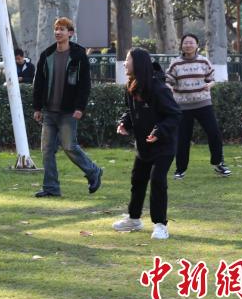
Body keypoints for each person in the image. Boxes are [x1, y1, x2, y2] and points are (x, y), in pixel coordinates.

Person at [115, 48, 181, 240]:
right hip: (143, 146)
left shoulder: (159, 88)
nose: (125, 63)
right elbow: (131, 111)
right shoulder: (131, 85)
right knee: (138, 179)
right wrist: (125, 123)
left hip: (164, 145)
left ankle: (160, 225)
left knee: (157, 180)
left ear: (138, 63)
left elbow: (174, 114)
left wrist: (159, 131)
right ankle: (134, 219)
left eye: (128, 59)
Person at [32, 17, 103, 197]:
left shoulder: (79, 55)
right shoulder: (46, 55)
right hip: (49, 111)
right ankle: (51, 188)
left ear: (70, 33)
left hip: (68, 111)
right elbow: (38, 83)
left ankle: (93, 171)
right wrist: (37, 107)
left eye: (62, 29)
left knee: (69, 146)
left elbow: (85, 84)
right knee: (47, 150)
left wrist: (80, 107)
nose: (58, 32)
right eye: (56, 29)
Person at [166, 34, 231, 179]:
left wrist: (210, 85)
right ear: (181, 46)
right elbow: (168, 80)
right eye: (185, 43)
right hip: (183, 106)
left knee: (214, 133)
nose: (188, 45)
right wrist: (169, 87)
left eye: (191, 42)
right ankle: (180, 170)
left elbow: (211, 79)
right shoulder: (175, 63)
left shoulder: (203, 61)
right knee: (183, 139)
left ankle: (218, 163)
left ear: (197, 45)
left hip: (203, 103)